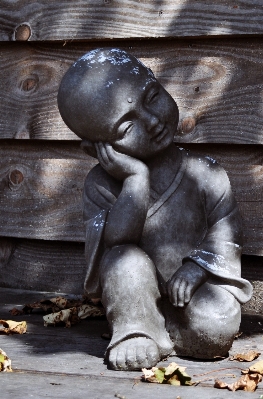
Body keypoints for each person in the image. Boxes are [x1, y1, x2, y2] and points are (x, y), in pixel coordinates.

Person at [57, 48, 252, 371]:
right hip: (135, 295)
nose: (151, 120)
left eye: (152, 96)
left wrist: (196, 268)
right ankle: (137, 330)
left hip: (198, 287)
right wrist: (135, 179)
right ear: (95, 149)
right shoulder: (100, 185)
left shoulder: (204, 171)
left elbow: (226, 230)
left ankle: (171, 330)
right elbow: (117, 244)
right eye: (125, 128)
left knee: (213, 330)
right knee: (123, 259)